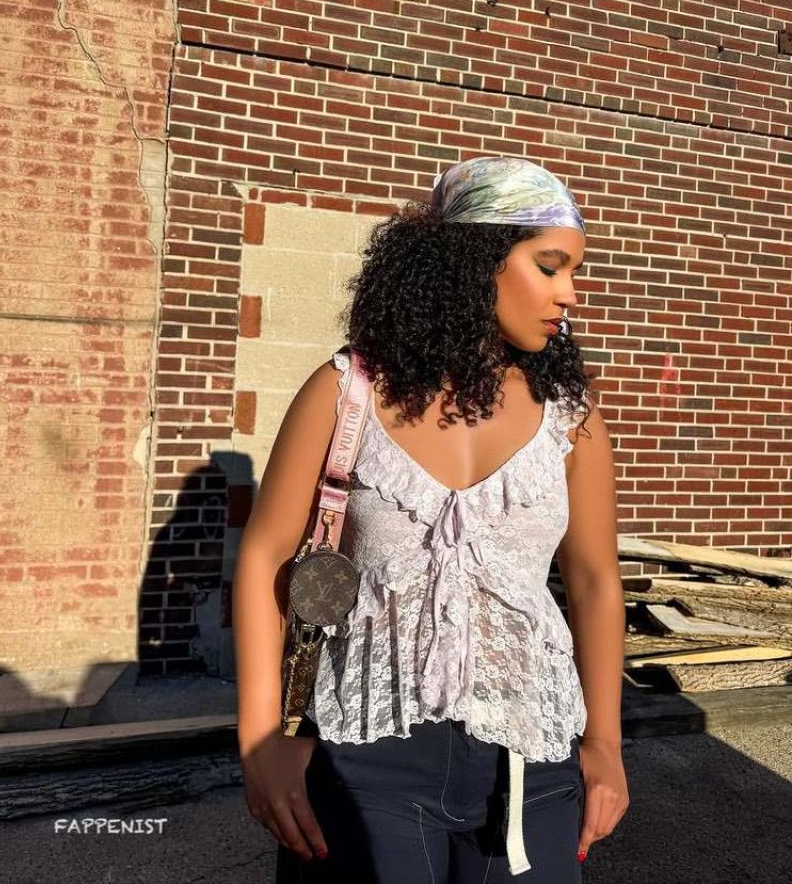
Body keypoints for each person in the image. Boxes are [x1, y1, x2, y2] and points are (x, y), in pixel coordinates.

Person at [234, 156, 629, 883]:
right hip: (365, 759)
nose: (568, 294)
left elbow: (596, 581)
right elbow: (265, 558)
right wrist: (261, 739)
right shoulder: (346, 393)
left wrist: (605, 744)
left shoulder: (570, 417)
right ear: (473, 262)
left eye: (573, 272)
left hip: (532, 765)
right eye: (549, 266)